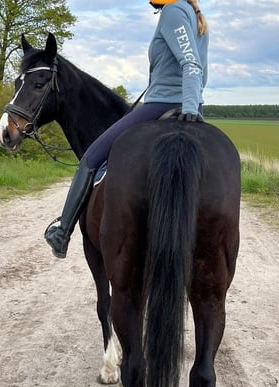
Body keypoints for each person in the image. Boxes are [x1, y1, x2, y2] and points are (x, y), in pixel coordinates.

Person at [44, 0, 209, 258]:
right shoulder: (197, 17)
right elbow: (199, 68)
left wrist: (188, 107)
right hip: (193, 101)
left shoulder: (173, 11)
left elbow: (190, 62)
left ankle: (62, 233)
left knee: (91, 156)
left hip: (163, 104)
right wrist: (193, 104)